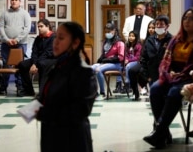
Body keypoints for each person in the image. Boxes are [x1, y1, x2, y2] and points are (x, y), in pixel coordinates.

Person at [143, 7, 193, 149]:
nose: (187, 21)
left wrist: (179, 75)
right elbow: (166, 61)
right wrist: (168, 72)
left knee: (174, 92)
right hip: (173, 75)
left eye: (191, 18)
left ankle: (159, 132)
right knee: (155, 89)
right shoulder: (177, 39)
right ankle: (163, 133)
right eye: (185, 18)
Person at [35, 21, 97, 152]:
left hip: (71, 139)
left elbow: (81, 110)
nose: (55, 42)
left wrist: (44, 113)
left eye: (61, 38)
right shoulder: (56, 66)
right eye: (56, 37)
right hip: (51, 135)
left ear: (75, 43)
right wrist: (32, 108)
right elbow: (47, 95)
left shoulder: (83, 71)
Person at [129, 15, 172, 101]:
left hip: (166, 74)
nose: (159, 26)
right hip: (152, 73)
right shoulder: (150, 40)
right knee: (155, 99)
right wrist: (147, 76)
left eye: (162, 24)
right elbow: (144, 58)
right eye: (157, 24)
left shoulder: (171, 40)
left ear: (167, 26)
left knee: (165, 99)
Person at [0, 0, 31, 95]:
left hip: (20, 43)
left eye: (16, 0)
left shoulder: (25, 13)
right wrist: (7, 39)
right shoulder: (4, 13)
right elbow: (1, 27)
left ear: (19, 2)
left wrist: (17, 39)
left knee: (19, 66)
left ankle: (20, 88)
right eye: (12, 0)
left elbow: (27, 28)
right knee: (6, 65)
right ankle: (3, 88)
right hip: (6, 44)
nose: (14, 1)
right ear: (10, 2)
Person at [17, 19, 55, 97]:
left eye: (41, 26)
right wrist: (34, 63)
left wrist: (35, 64)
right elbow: (34, 52)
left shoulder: (54, 37)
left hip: (51, 60)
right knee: (22, 64)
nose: (39, 28)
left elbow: (48, 53)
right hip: (38, 60)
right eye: (38, 27)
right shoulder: (38, 38)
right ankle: (29, 90)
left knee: (42, 64)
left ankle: (42, 92)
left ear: (47, 26)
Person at [92, 23, 125, 98]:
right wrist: (100, 60)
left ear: (114, 31)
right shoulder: (106, 42)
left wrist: (107, 60)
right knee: (91, 68)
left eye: (109, 31)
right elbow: (104, 55)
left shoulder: (120, 42)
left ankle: (102, 92)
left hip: (117, 64)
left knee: (98, 70)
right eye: (106, 31)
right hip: (106, 63)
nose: (107, 33)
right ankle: (94, 91)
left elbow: (121, 57)